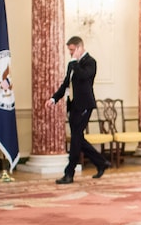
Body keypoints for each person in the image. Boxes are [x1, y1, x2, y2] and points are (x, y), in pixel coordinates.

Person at [45, 36, 110, 184]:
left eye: (73, 50)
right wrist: (53, 99)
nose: (70, 53)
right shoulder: (72, 65)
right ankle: (101, 162)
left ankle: (69, 173)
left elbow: (83, 76)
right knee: (78, 138)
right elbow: (66, 85)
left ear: (80, 48)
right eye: (69, 50)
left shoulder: (90, 62)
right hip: (73, 106)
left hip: (85, 106)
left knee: (75, 139)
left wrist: (74, 61)